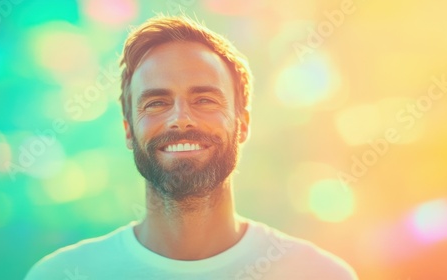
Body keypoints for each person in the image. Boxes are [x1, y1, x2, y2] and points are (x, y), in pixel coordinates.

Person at [25, 15, 358, 280]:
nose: (180, 120)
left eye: (204, 99)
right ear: (128, 130)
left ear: (242, 124)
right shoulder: (59, 275)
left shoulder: (321, 275)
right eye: (156, 103)